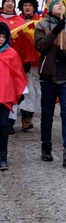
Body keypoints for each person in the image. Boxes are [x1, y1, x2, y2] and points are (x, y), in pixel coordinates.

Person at [34, 0, 66, 167]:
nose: (60, 6)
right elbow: (40, 47)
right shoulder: (41, 25)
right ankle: (46, 145)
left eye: (63, 4)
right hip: (48, 76)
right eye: (57, 4)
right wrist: (56, 32)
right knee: (47, 113)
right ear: (51, 7)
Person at [0, 22, 27, 170]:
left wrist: (20, 92)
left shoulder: (11, 54)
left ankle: (2, 156)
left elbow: (18, 75)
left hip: (5, 97)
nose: (1, 39)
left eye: (4, 36)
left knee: (3, 126)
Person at [0, 0, 26, 134]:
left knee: (14, 91)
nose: (9, 3)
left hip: (15, 59)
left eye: (12, 1)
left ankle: (10, 120)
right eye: (7, 1)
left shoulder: (20, 20)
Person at [17, 0, 42, 131]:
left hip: (38, 62)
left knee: (37, 91)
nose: (27, 7)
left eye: (30, 5)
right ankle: (25, 118)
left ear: (34, 8)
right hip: (22, 62)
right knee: (26, 90)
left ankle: (30, 114)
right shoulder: (17, 22)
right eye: (25, 5)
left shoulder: (40, 22)